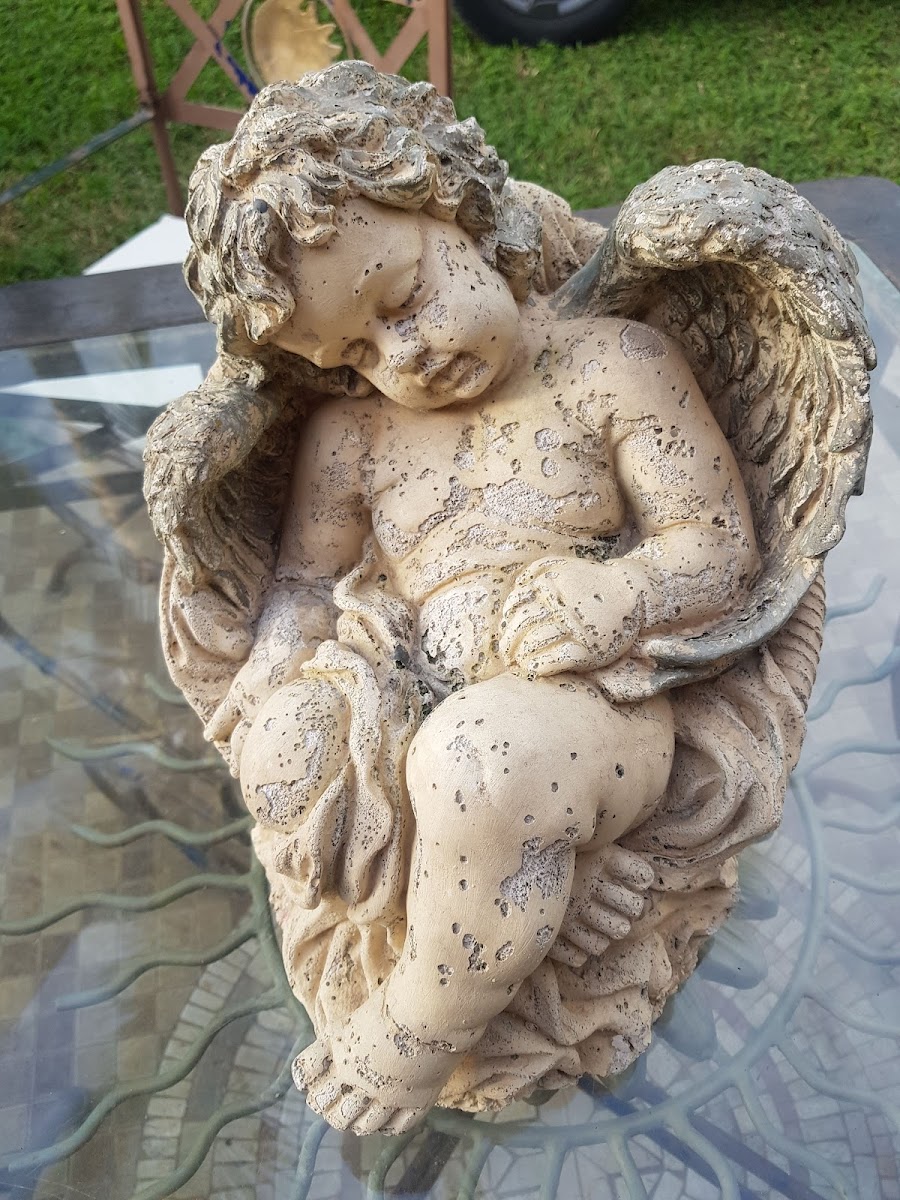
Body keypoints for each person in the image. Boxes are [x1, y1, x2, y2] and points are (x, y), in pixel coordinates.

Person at [146, 61, 868, 1133]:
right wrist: (277, 671)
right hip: (407, 691)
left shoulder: (614, 365)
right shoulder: (350, 437)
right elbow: (300, 584)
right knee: (290, 746)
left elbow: (720, 548)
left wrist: (619, 592)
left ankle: (416, 1031)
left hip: (589, 706)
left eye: (404, 299)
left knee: (483, 761)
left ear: (458, 207)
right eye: (353, 353)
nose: (403, 355)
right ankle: (535, 889)